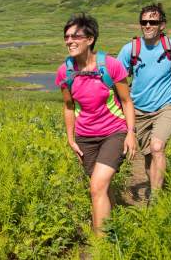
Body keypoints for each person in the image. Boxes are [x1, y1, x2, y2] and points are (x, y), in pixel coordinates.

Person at [55, 13, 136, 235]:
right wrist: (70, 139)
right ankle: (112, 227)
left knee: (97, 187)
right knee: (100, 189)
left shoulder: (110, 65)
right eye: (66, 36)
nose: (69, 41)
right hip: (85, 138)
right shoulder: (65, 72)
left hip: (114, 132)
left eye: (75, 36)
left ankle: (100, 248)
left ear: (90, 39)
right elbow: (69, 107)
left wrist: (131, 133)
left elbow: (127, 101)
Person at [117, 3, 171, 197]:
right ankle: (157, 193)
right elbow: (115, 78)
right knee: (148, 157)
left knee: (157, 147)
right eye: (143, 22)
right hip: (138, 111)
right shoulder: (130, 49)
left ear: (162, 24)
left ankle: (156, 201)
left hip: (166, 106)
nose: (147, 25)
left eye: (152, 22)